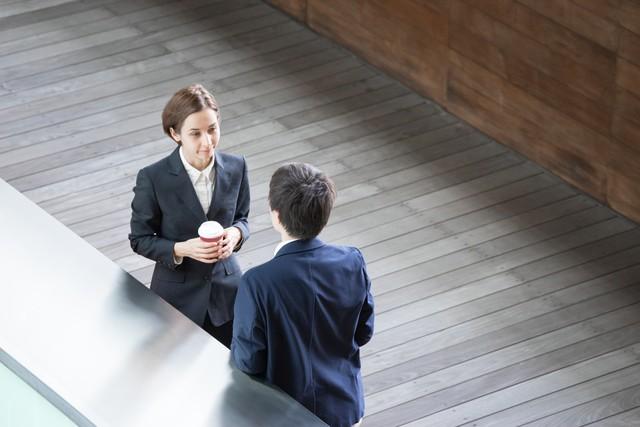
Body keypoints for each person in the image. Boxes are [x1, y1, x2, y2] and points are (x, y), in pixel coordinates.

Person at [231, 163, 374, 427]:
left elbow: (249, 360)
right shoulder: (353, 261)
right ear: (325, 213)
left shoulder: (258, 282)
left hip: (286, 415)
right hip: (346, 409)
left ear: (276, 215)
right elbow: (363, 332)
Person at [129, 84, 249, 348]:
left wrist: (236, 234)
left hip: (228, 294)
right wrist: (182, 249)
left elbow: (242, 218)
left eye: (212, 129)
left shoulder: (237, 166)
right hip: (175, 299)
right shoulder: (153, 178)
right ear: (175, 134)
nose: (207, 142)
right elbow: (139, 239)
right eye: (195, 133)